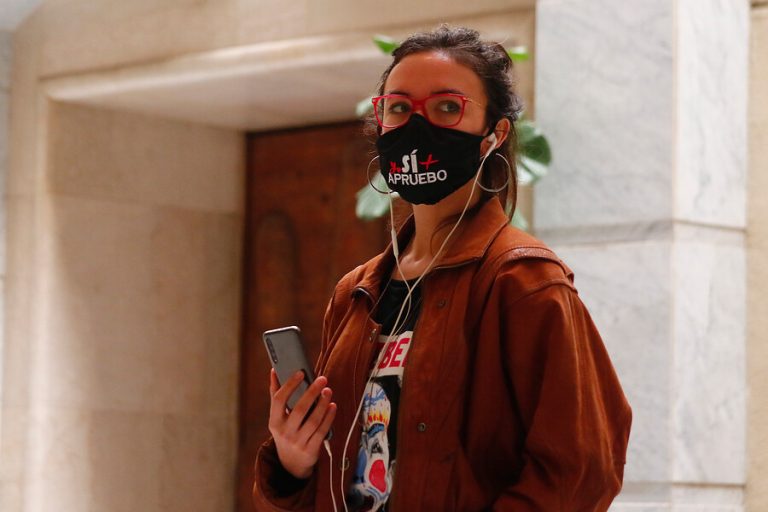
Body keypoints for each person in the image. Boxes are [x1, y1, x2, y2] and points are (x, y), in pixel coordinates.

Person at [253, 24, 632, 512]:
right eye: (399, 108)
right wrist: (292, 463)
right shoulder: (356, 292)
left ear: (495, 134)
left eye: (447, 107)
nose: (417, 126)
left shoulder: (524, 279)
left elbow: (580, 471)